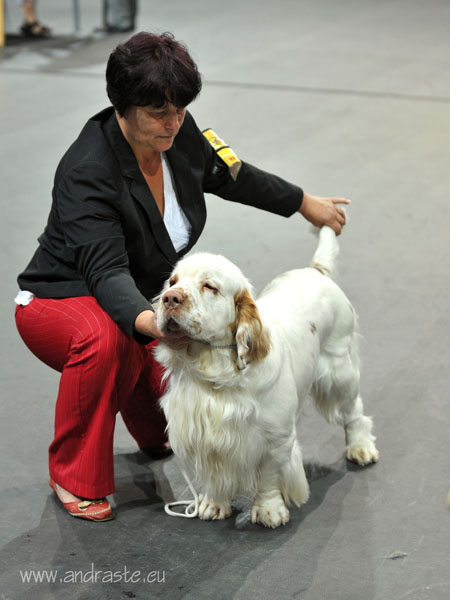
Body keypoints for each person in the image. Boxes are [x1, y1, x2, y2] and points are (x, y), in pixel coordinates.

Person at [15, 32, 349, 522]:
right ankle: (74, 476)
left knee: (162, 439)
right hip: (64, 299)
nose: (173, 123)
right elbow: (106, 273)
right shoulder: (87, 171)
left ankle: (139, 391)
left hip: (148, 300)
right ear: (122, 107)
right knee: (108, 340)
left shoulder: (178, 134)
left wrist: (303, 201)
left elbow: (233, 175)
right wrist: (161, 328)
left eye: (180, 109)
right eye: (158, 113)